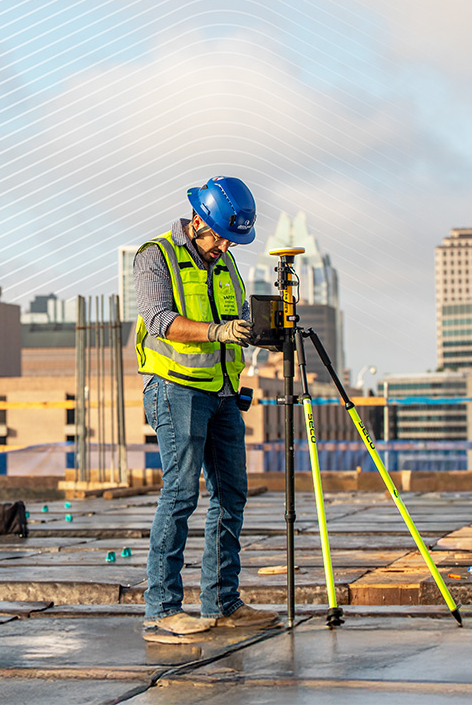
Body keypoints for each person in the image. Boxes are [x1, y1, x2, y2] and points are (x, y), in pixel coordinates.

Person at [133, 175, 279, 642]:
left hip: (220, 393)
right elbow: (159, 322)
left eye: (231, 240)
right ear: (198, 221)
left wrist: (259, 335)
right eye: (219, 236)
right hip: (175, 390)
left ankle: (221, 602)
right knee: (180, 495)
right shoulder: (155, 256)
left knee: (232, 493)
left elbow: (234, 323)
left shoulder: (227, 262)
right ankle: (161, 610)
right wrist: (218, 333)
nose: (223, 247)